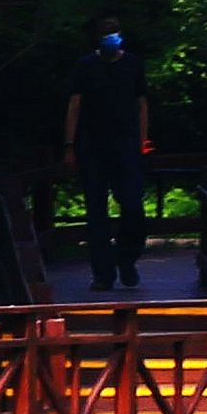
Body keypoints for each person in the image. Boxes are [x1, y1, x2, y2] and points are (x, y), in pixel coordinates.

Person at [64, 29, 156, 294]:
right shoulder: (86, 66)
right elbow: (75, 104)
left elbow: (142, 103)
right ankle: (102, 274)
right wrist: (69, 145)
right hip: (92, 148)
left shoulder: (133, 64)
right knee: (96, 213)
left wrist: (143, 140)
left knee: (133, 207)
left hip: (126, 147)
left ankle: (126, 259)